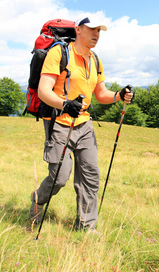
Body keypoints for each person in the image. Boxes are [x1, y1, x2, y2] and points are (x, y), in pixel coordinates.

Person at [29, 15, 133, 232]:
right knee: (59, 177)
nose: (96, 34)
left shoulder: (95, 59)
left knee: (90, 176)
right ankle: (38, 200)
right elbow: (43, 90)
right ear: (78, 30)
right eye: (92, 29)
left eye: (99, 31)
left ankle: (86, 227)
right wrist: (65, 104)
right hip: (59, 123)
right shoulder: (59, 53)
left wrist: (118, 95)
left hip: (84, 124)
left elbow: (101, 93)